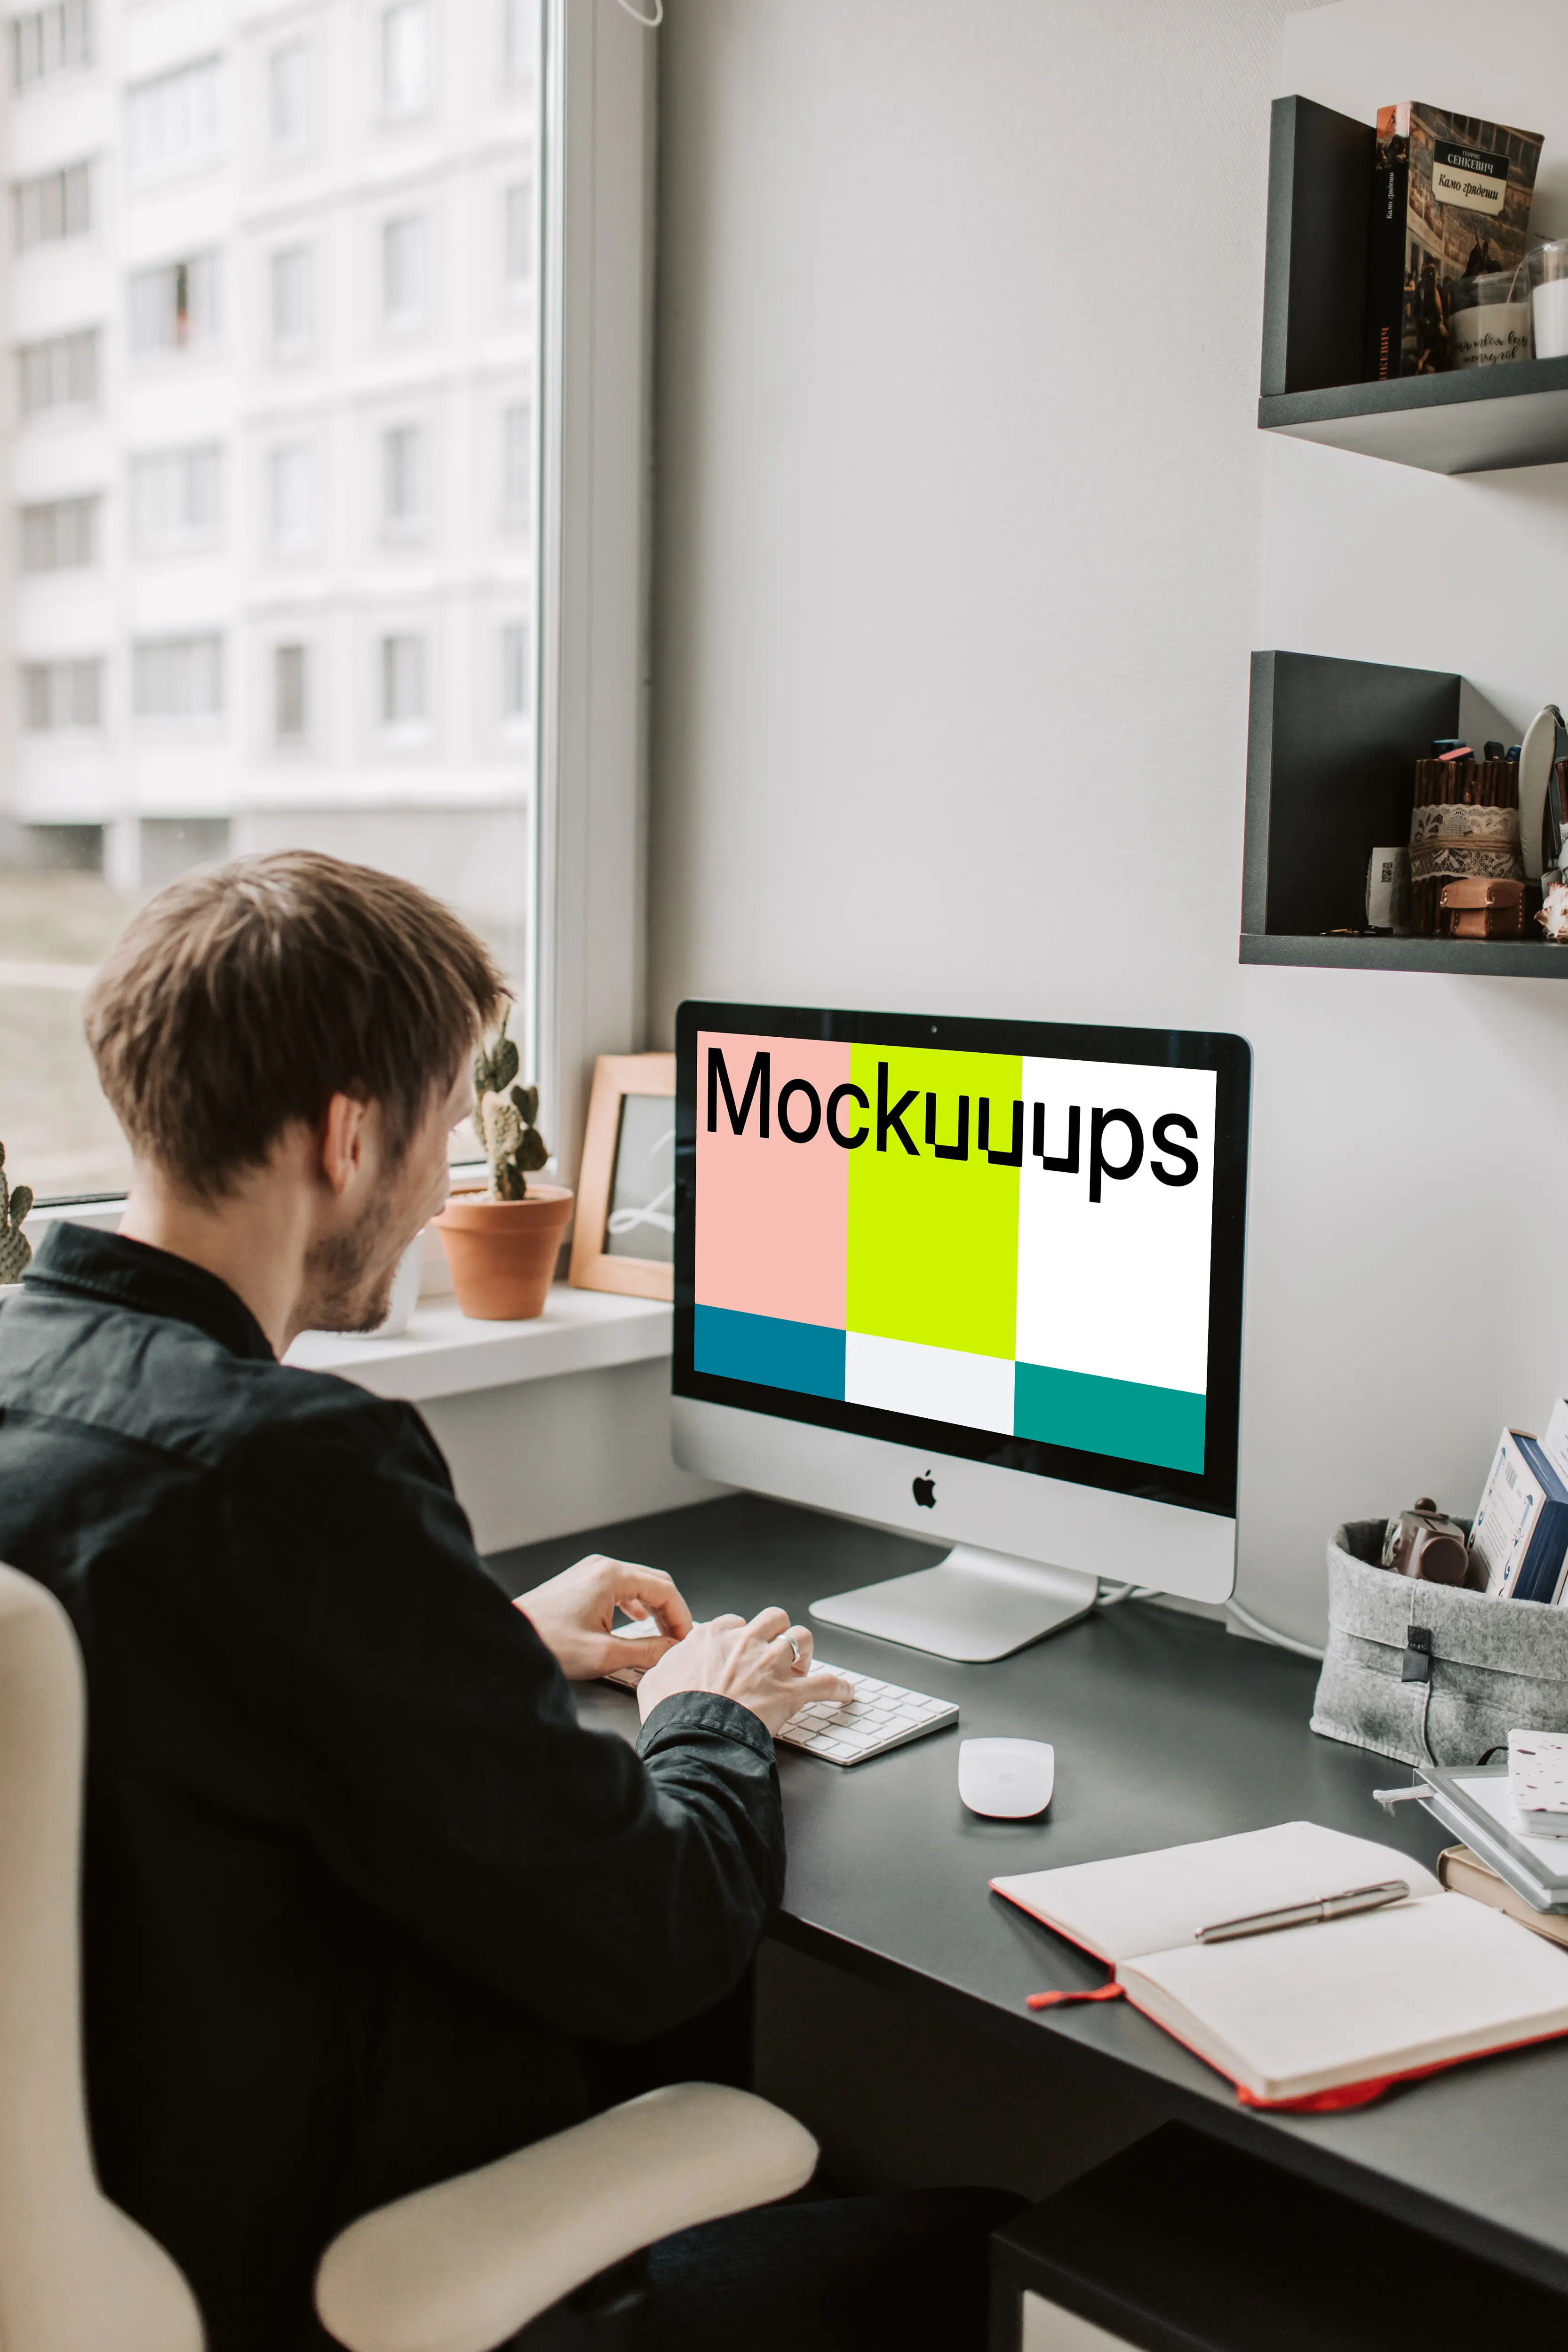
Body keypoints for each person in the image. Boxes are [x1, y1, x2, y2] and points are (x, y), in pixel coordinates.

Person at [0, 853, 1014, 2352]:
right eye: (444, 1136)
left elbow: (118, 1688)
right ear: (350, 1136)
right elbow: (650, 1941)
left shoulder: (37, 1384)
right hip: (299, 2255)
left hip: (125, 2187)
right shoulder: (294, 1470)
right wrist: (706, 1718)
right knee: (983, 2245)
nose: (440, 1192)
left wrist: (477, 1649)